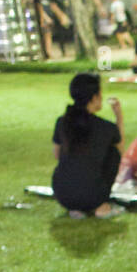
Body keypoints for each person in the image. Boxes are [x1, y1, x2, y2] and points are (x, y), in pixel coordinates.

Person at [51, 72, 124, 220]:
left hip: (62, 193)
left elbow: (57, 154)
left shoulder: (62, 122)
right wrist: (119, 117)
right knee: (113, 153)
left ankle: (76, 209)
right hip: (93, 194)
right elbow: (120, 150)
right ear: (94, 97)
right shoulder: (105, 127)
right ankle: (100, 207)